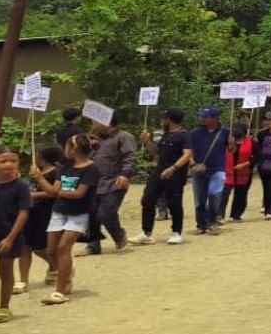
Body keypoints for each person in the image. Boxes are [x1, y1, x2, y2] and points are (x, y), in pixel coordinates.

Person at [31, 133, 99, 306]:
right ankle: (66, 272)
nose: (63, 150)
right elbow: (53, 191)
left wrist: (55, 192)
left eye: (66, 146)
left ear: (73, 148)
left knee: (63, 248)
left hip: (79, 213)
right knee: (51, 250)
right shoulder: (64, 168)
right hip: (59, 211)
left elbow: (78, 193)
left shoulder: (91, 169)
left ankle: (60, 291)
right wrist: (39, 178)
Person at [130, 108, 191, 246]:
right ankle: (146, 233)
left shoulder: (184, 135)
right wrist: (147, 142)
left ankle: (176, 232)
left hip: (175, 174)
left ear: (170, 119)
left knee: (174, 203)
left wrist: (173, 168)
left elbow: (187, 154)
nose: (163, 120)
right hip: (159, 172)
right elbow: (157, 152)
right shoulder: (166, 134)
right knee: (147, 200)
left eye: (165, 117)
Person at [0, 148, 30, 324]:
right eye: (3, 161)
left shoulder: (20, 186)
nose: (8, 165)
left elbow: (23, 213)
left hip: (8, 234)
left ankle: (4, 306)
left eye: (13, 161)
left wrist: (10, 238)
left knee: (4, 270)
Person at [85, 121, 135, 255]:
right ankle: (93, 244)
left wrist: (125, 174)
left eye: (95, 121)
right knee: (91, 214)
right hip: (93, 181)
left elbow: (129, 157)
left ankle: (118, 234)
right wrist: (89, 146)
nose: (93, 124)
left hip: (114, 181)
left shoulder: (123, 136)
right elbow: (80, 158)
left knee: (106, 213)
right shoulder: (91, 139)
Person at [19, 145, 60, 292]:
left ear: (42, 156)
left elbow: (54, 192)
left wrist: (38, 182)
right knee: (25, 247)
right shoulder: (35, 172)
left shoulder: (56, 172)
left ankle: (58, 267)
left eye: (36, 153)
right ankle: (23, 280)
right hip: (30, 211)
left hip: (46, 212)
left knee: (41, 248)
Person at [190, 108, 230, 234]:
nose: (202, 119)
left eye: (205, 117)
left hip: (218, 169)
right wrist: (192, 163)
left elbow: (231, 150)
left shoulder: (226, 132)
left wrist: (232, 144)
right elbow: (188, 150)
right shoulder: (194, 133)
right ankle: (201, 224)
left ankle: (212, 222)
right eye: (202, 116)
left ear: (214, 118)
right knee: (200, 200)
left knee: (214, 194)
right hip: (199, 169)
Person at [221, 120, 254, 220]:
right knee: (223, 194)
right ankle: (219, 214)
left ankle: (236, 214)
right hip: (228, 171)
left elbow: (256, 156)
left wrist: (245, 164)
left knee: (241, 194)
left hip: (244, 172)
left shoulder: (251, 142)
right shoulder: (227, 141)